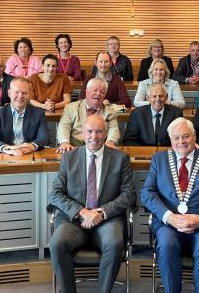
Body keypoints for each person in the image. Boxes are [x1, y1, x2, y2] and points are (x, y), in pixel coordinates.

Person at [141, 117, 199, 293]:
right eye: (176, 138)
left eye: (186, 136)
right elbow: (147, 194)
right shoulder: (159, 160)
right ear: (170, 140)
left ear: (194, 136)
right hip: (169, 224)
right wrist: (169, 217)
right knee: (166, 246)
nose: (181, 142)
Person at [49, 115, 136, 293]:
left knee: (114, 243)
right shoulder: (69, 158)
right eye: (89, 131)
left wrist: (102, 213)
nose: (94, 137)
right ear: (82, 133)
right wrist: (82, 212)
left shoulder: (121, 158)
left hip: (107, 220)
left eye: (99, 132)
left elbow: (129, 194)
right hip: (73, 220)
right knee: (57, 244)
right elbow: (55, 194)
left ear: (106, 134)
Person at [0, 77, 49, 155]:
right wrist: (6, 148)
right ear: (9, 93)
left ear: (29, 94)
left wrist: (32, 146)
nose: (20, 96)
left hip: (30, 154)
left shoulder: (38, 113)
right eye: (16, 92)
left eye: (24, 93)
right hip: (5, 155)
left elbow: (44, 137)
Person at [56, 78, 120, 153]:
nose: (98, 94)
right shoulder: (71, 108)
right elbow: (64, 126)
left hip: (99, 150)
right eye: (95, 90)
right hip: (75, 149)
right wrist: (65, 142)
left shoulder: (110, 112)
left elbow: (114, 129)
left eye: (102, 92)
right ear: (87, 91)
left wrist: (110, 141)